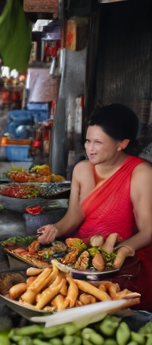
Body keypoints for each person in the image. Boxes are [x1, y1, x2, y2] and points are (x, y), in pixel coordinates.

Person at [38, 104, 152, 310]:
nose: (90, 148)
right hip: (82, 253)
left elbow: (148, 231)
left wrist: (115, 254)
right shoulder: (82, 169)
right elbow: (75, 214)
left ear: (122, 144)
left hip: (121, 258)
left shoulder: (140, 173)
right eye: (88, 141)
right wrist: (56, 229)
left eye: (98, 142)